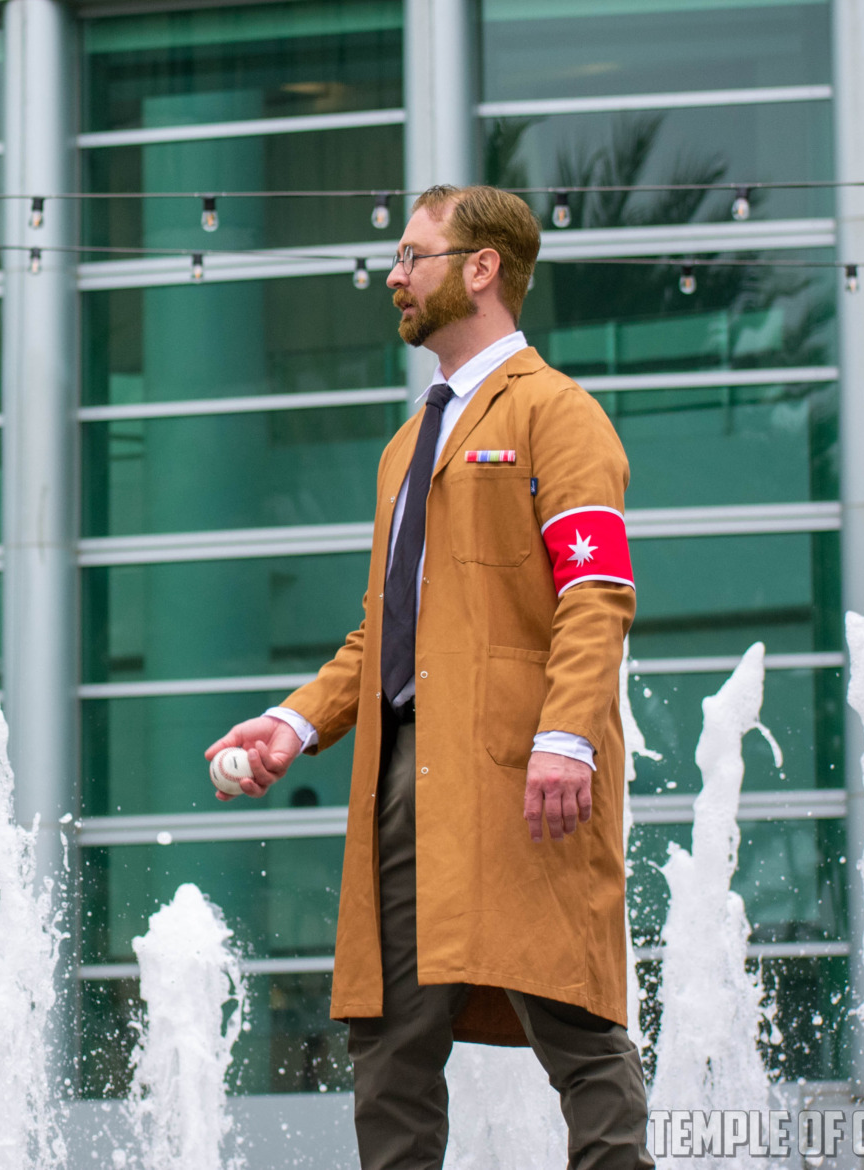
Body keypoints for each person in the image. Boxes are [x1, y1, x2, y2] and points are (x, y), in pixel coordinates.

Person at [206, 185, 652, 1170]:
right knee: (389, 1039)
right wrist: (293, 723)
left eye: (414, 256)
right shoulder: (408, 444)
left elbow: (597, 594)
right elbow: (386, 633)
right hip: (404, 779)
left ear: (481, 268)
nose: (394, 276)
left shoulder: (558, 414)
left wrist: (565, 737)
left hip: (523, 772)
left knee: (574, 1022)